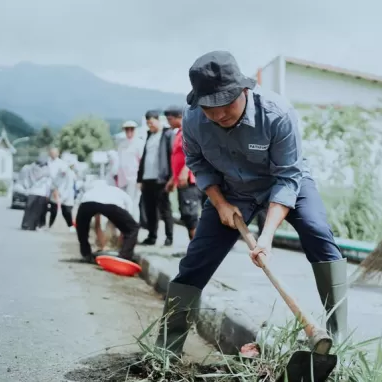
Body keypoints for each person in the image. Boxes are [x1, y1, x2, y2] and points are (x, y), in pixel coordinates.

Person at [155, 51, 348, 356]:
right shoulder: (192, 118)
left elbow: (288, 176)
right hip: (232, 191)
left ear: (244, 90)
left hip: (284, 181)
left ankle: (338, 337)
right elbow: (197, 162)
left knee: (318, 232)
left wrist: (266, 237)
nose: (218, 115)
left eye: (226, 104)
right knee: (195, 262)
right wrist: (219, 203)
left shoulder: (277, 113)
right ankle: (165, 350)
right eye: (210, 107)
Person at [75, 179, 139, 263]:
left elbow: (97, 225)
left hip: (86, 203)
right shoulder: (126, 198)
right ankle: (124, 257)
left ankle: (86, 254)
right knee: (133, 228)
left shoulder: (94, 190)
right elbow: (127, 228)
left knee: (82, 228)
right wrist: (121, 245)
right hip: (110, 204)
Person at [136, 110, 175, 246]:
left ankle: (169, 237)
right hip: (148, 178)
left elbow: (172, 157)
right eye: (147, 123)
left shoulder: (167, 135)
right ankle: (152, 236)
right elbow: (144, 159)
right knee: (150, 210)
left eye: (151, 122)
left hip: (161, 179)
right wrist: (139, 179)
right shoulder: (149, 136)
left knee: (165, 209)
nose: (149, 125)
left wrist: (171, 177)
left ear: (158, 120)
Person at [164, 106, 202, 239]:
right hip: (180, 180)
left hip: (190, 180)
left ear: (179, 117)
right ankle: (194, 247)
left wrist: (186, 170)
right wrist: (172, 179)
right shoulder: (178, 133)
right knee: (186, 214)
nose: (169, 122)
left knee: (191, 214)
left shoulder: (189, 131)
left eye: (170, 119)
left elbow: (194, 152)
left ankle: (198, 250)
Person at [116, 121, 145, 222]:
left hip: (134, 178)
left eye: (131, 129)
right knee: (123, 203)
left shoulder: (139, 143)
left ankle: (134, 226)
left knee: (133, 203)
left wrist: (140, 180)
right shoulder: (121, 145)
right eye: (127, 129)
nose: (129, 131)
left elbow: (142, 162)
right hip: (122, 179)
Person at [21, 154, 52, 231]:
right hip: (41, 193)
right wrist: (48, 194)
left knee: (29, 210)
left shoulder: (31, 168)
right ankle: (33, 225)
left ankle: (26, 225)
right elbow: (48, 184)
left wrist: (27, 188)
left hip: (33, 191)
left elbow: (26, 180)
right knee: (37, 211)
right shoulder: (47, 170)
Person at [49, 156, 78, 232]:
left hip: (68, 195)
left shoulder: (72, 173)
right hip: (58, 193)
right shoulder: (62, 170)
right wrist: (55, 190)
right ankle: (49, 225)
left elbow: (73, 183)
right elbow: (56, 181)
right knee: (53, 211)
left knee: (67, 212)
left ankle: (71, 226)